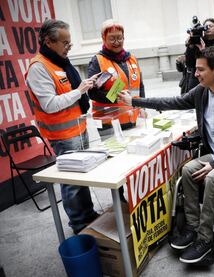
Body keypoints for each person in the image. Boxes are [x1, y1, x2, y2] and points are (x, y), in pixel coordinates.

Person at [118, 46, 214, 265]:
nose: (195, 73)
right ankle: (192, 226)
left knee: (211, 176)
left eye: (200, 69)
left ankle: (205, 241)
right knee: (188, 169)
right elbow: (172, 102)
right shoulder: (202, 92)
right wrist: (135, 101)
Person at [25, 19, 99, 234]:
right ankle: (78, 224)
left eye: (70, 42)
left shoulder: (60, 62)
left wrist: (85, 85)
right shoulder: (39, 68)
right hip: (63, 135)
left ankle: (89, 216)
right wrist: (80, 90)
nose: (69, 46)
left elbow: (68, 92)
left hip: (78, 128)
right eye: (65, 43)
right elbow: (49, 105)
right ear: (49, 42)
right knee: (71, 183)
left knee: (81, 176)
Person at [88, 19, 145, 130]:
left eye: (119, 38)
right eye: (112, 38)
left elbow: (140, 86)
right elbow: (92, 93)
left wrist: (143, 107)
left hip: (133, 119)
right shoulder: (97, 61)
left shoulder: (132, 59)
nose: (117, 42)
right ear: (103, 39)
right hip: (109, 124)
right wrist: (117, 97)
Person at [184, 18, 214, 93]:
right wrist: (190, 47)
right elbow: (189, 64)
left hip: (213, 82)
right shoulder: (195, 43)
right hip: (196, 82)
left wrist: (203, 51)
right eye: (206, 26)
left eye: (211, 26)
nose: (208, 27)